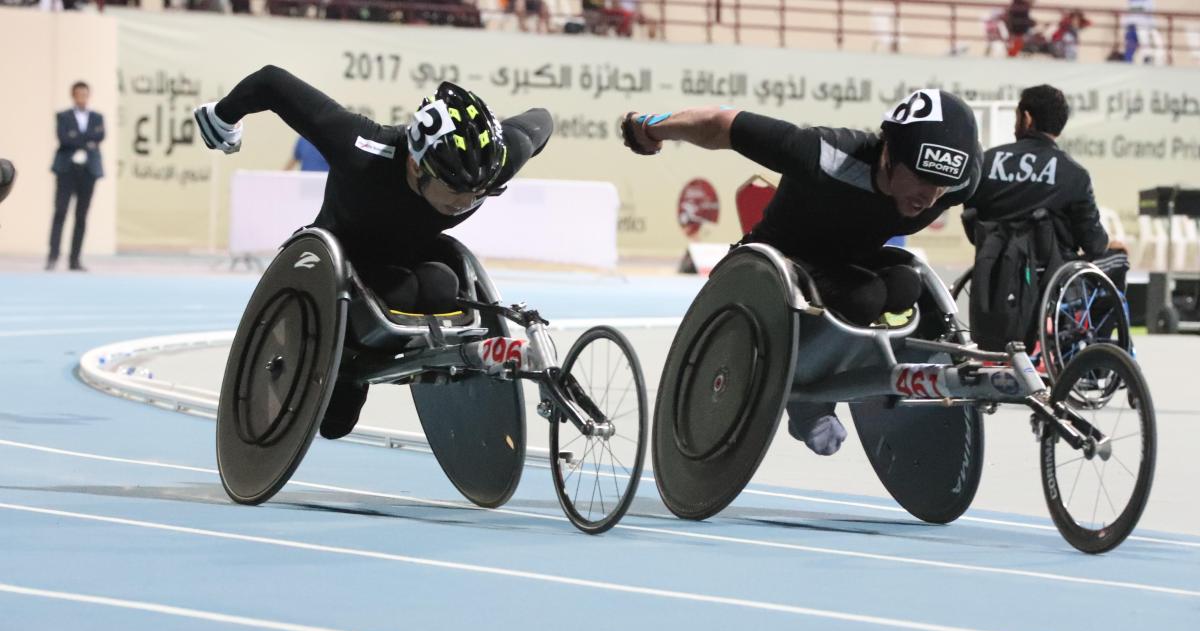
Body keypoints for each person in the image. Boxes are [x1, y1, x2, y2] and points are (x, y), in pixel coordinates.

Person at [194, 66, 552, 440]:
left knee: (443, 286)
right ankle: (350, 362)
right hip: (342, 267)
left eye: (477, 194)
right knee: (335, 423)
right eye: (454, 191)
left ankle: (395, 350)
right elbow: (270, 82)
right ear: (416, 165)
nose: (464, 203)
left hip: (412, 260)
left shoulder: (489, 166)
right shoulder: (360, 148)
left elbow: (540, 122)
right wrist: (222, 117)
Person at [621, 89, 981, 456]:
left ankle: (861, 368)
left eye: (941, 184)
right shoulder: (825, 155)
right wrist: (649, 128)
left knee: (907, 285)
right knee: (865, 296)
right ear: (889, 153)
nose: (930, 196)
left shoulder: (959, 182)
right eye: (921, 178)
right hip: (783, 262)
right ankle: (807, 397)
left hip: (851, 262)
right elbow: (720, 125)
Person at [963, 84, 1111, 264]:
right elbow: (1094, 244)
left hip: (993, 272)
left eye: (1016, 117)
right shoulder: (1075, 175)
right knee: (1118, 257)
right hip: (1053, 279)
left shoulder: (986, 161)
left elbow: (973, 224)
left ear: (1027, 118)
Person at [48, 81, 105, 272]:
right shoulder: (63, 116)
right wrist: (87, 141)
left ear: (89, 95)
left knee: (81, 215)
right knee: (60, 211)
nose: (82, 97)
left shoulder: (97, 117)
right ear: (73, 95)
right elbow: (64, 138)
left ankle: (75, 259)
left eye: (85, 94)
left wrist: (77, 138)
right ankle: (53, 256)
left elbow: (100, 136)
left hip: (88, 171)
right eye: (79, 94)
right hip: (66, 169)